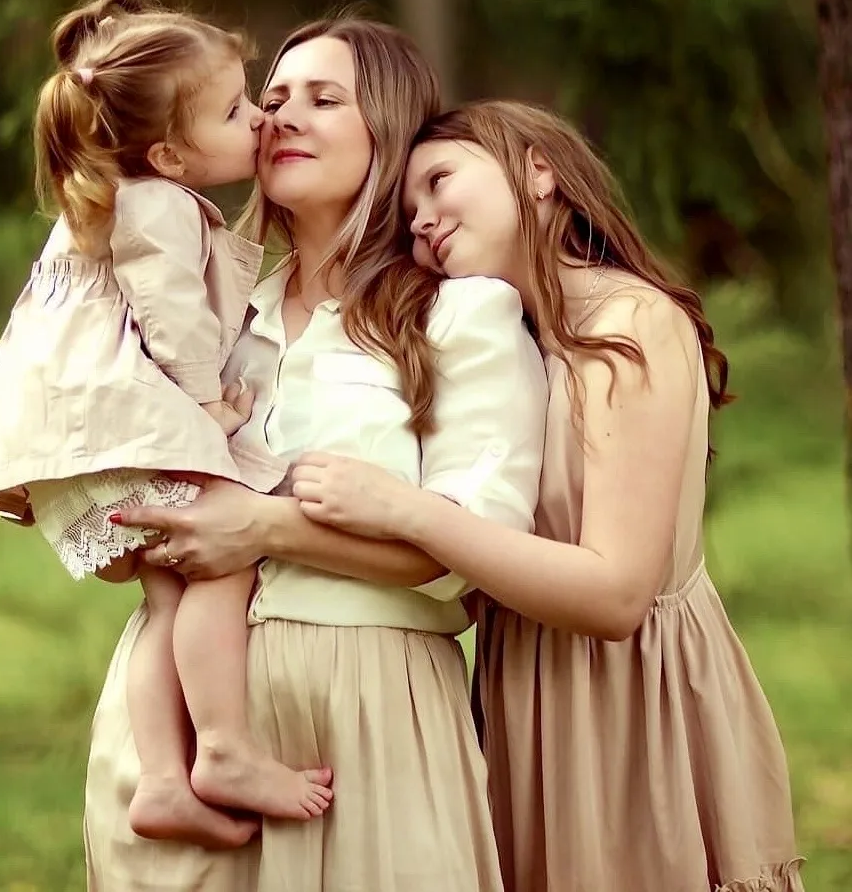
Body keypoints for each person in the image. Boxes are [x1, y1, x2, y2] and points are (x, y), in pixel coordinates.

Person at [289, 100, 805, 892]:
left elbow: (615, 593)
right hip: (522, 699)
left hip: (634, 707)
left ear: (538, 172)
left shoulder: (632, 323)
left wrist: (404, 508)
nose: (421, 220)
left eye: (439, 180)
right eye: (409, 211)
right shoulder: (515, 358)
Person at [87, 19, 548, 892]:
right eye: (271, 98)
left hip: (370, 709)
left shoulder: (460, 317)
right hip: (176, 739)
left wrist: (265, 527)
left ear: (390, 129)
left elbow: (471, 559)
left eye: (323, 98)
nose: (280, 116)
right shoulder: (208, 318)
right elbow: (123, 517)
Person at [0, 0, 334, 852]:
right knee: (221, 562)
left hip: (76, 431)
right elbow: (171, 317)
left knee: (168, 598)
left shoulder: (111, 199)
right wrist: (209, 406)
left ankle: (164, 779)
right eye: (236, 111)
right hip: (115, 423)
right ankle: (224, 747)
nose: (259, 120)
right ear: (169, 153)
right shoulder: (160, 206)